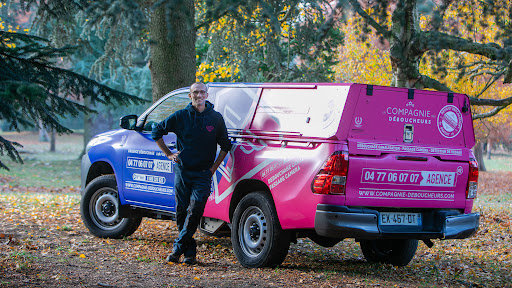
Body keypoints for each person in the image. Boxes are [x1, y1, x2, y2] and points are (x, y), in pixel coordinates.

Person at [151, 82, 232, 265]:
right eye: (195, 92)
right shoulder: (180, 116)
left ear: (207, 95)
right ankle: (190, 253)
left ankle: (177, 249)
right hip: (183, 171)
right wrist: (169, 154)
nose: (199, 95)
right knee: (181, 211)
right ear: (190, 96)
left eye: (202, 92)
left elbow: (226, 146)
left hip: (203, 173)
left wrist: (213, 168)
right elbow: (157, 131)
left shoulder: (216, 118)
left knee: (195, 209)